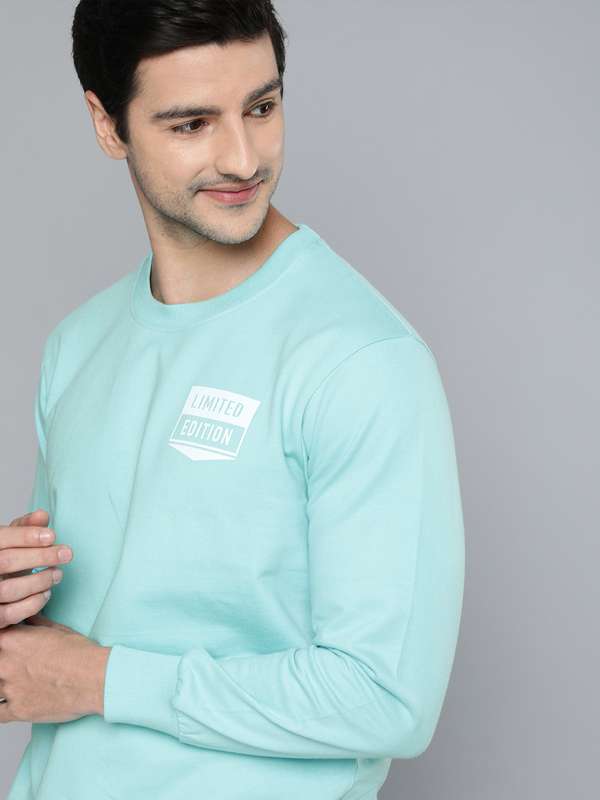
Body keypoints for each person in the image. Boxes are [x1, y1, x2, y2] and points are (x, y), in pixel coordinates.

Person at [1, 1, 465, 798]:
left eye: (261, 107)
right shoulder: (77, 346)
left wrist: (102, 681)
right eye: (192, 124)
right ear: (108, 125)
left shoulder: (361, 361)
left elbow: (387, 698)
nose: (244, 158)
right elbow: (56, 649)